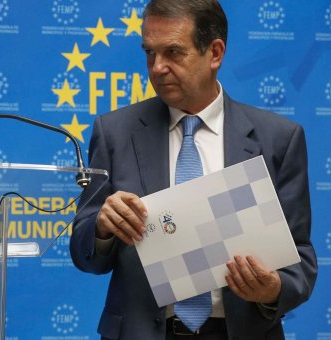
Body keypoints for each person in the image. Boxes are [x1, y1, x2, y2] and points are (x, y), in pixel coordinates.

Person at [69, 0, 317, 339]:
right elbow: (87, 257)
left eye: (173, 52)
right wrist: (101, 229)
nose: (157, 68)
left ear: (214, 53)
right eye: (150, 53)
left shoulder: (279, 140)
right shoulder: (115, 133)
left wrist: (272, 288)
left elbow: (300, 261)